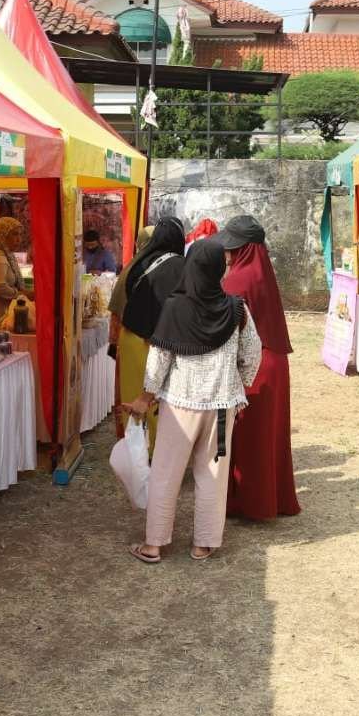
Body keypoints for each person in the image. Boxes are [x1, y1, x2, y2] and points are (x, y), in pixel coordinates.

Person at [123, 239, 262, 563]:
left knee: (165, 472)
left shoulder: (174, 308)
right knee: (213, 473)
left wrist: (146, 396)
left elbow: (159, 360)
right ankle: (204, 543)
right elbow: (252, 353)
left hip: (179, 404)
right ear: (218, 270)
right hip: (221, 406)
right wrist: (238, 385)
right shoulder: (237, 310)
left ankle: (154, 544)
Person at [215, 215, 301, 521]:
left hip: (255, 366)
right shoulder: (262, 273)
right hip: (275, 362)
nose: (227, 252)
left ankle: (250, 503)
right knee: (272, 437)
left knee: (249, 436)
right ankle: (273, 499)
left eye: (231, 247)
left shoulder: (237, 280)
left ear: (243, 249)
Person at [112, 218, 186, 447]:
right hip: (157, 343)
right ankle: (155, 450)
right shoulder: (180, 266)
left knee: (133, 395)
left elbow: (121, 300)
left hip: (130, 337)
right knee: (155, 397)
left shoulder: (137, 262)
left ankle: (133, 446)